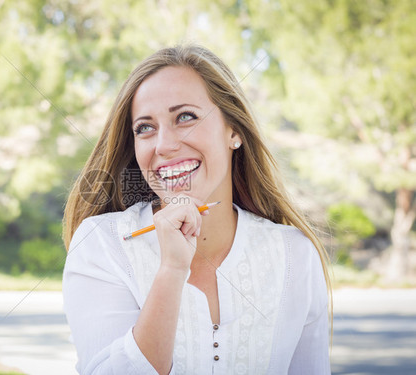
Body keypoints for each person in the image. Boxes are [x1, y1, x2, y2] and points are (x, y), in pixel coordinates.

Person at [62, 45, 331, 374]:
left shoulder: (296, 255)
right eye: (145, 128)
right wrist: (172, 271)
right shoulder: (103, 243)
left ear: (234, 130)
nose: (164, 145)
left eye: (185, 117)